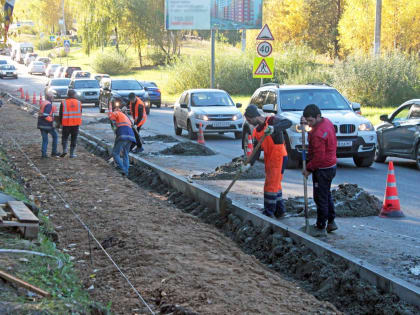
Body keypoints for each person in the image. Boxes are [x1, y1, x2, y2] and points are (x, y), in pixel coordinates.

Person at [244, 105, 292, 218]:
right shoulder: (256, 131)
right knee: (276, 184)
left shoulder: (271, 121)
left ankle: (269, 212)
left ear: (254, 116)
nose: (249, 123)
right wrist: (248, 164)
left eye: (249, 120)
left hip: (279, 157)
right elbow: (256, 151)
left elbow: (288, 122)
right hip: (270, 159)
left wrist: (274, 128)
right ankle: (280, 211)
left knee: (270, 186)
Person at [301, 104, 338, 237]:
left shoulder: (317, 134)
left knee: (320, 197)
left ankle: (320, 226)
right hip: (331, 165)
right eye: (307, 121)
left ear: (317, 116)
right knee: (326, 194)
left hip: (322, 169)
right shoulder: (326, 122)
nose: (309, 124)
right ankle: (331, 222)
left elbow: (319, 157)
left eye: (310, 121)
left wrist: (309, 169)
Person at [108, 104, 136, 176]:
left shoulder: (115, 113)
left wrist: (110, 112)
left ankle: (123, 169)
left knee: (115, 153)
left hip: (123, 135)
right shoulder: (124, 116)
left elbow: (112, 120)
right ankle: (126, 172)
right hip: (131, 136)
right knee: (125, 154)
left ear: (115, 109)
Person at [59, 89, 82, 158]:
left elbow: (61, 114)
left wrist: (60, 123)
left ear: (68, 95)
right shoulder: (79, 102)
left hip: (66, 124)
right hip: (75, 124)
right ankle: (72, 154)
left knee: (65, 137)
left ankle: (65, 150)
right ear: (74, 95)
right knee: (74, 138)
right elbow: (80, 113)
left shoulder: (63, 103)